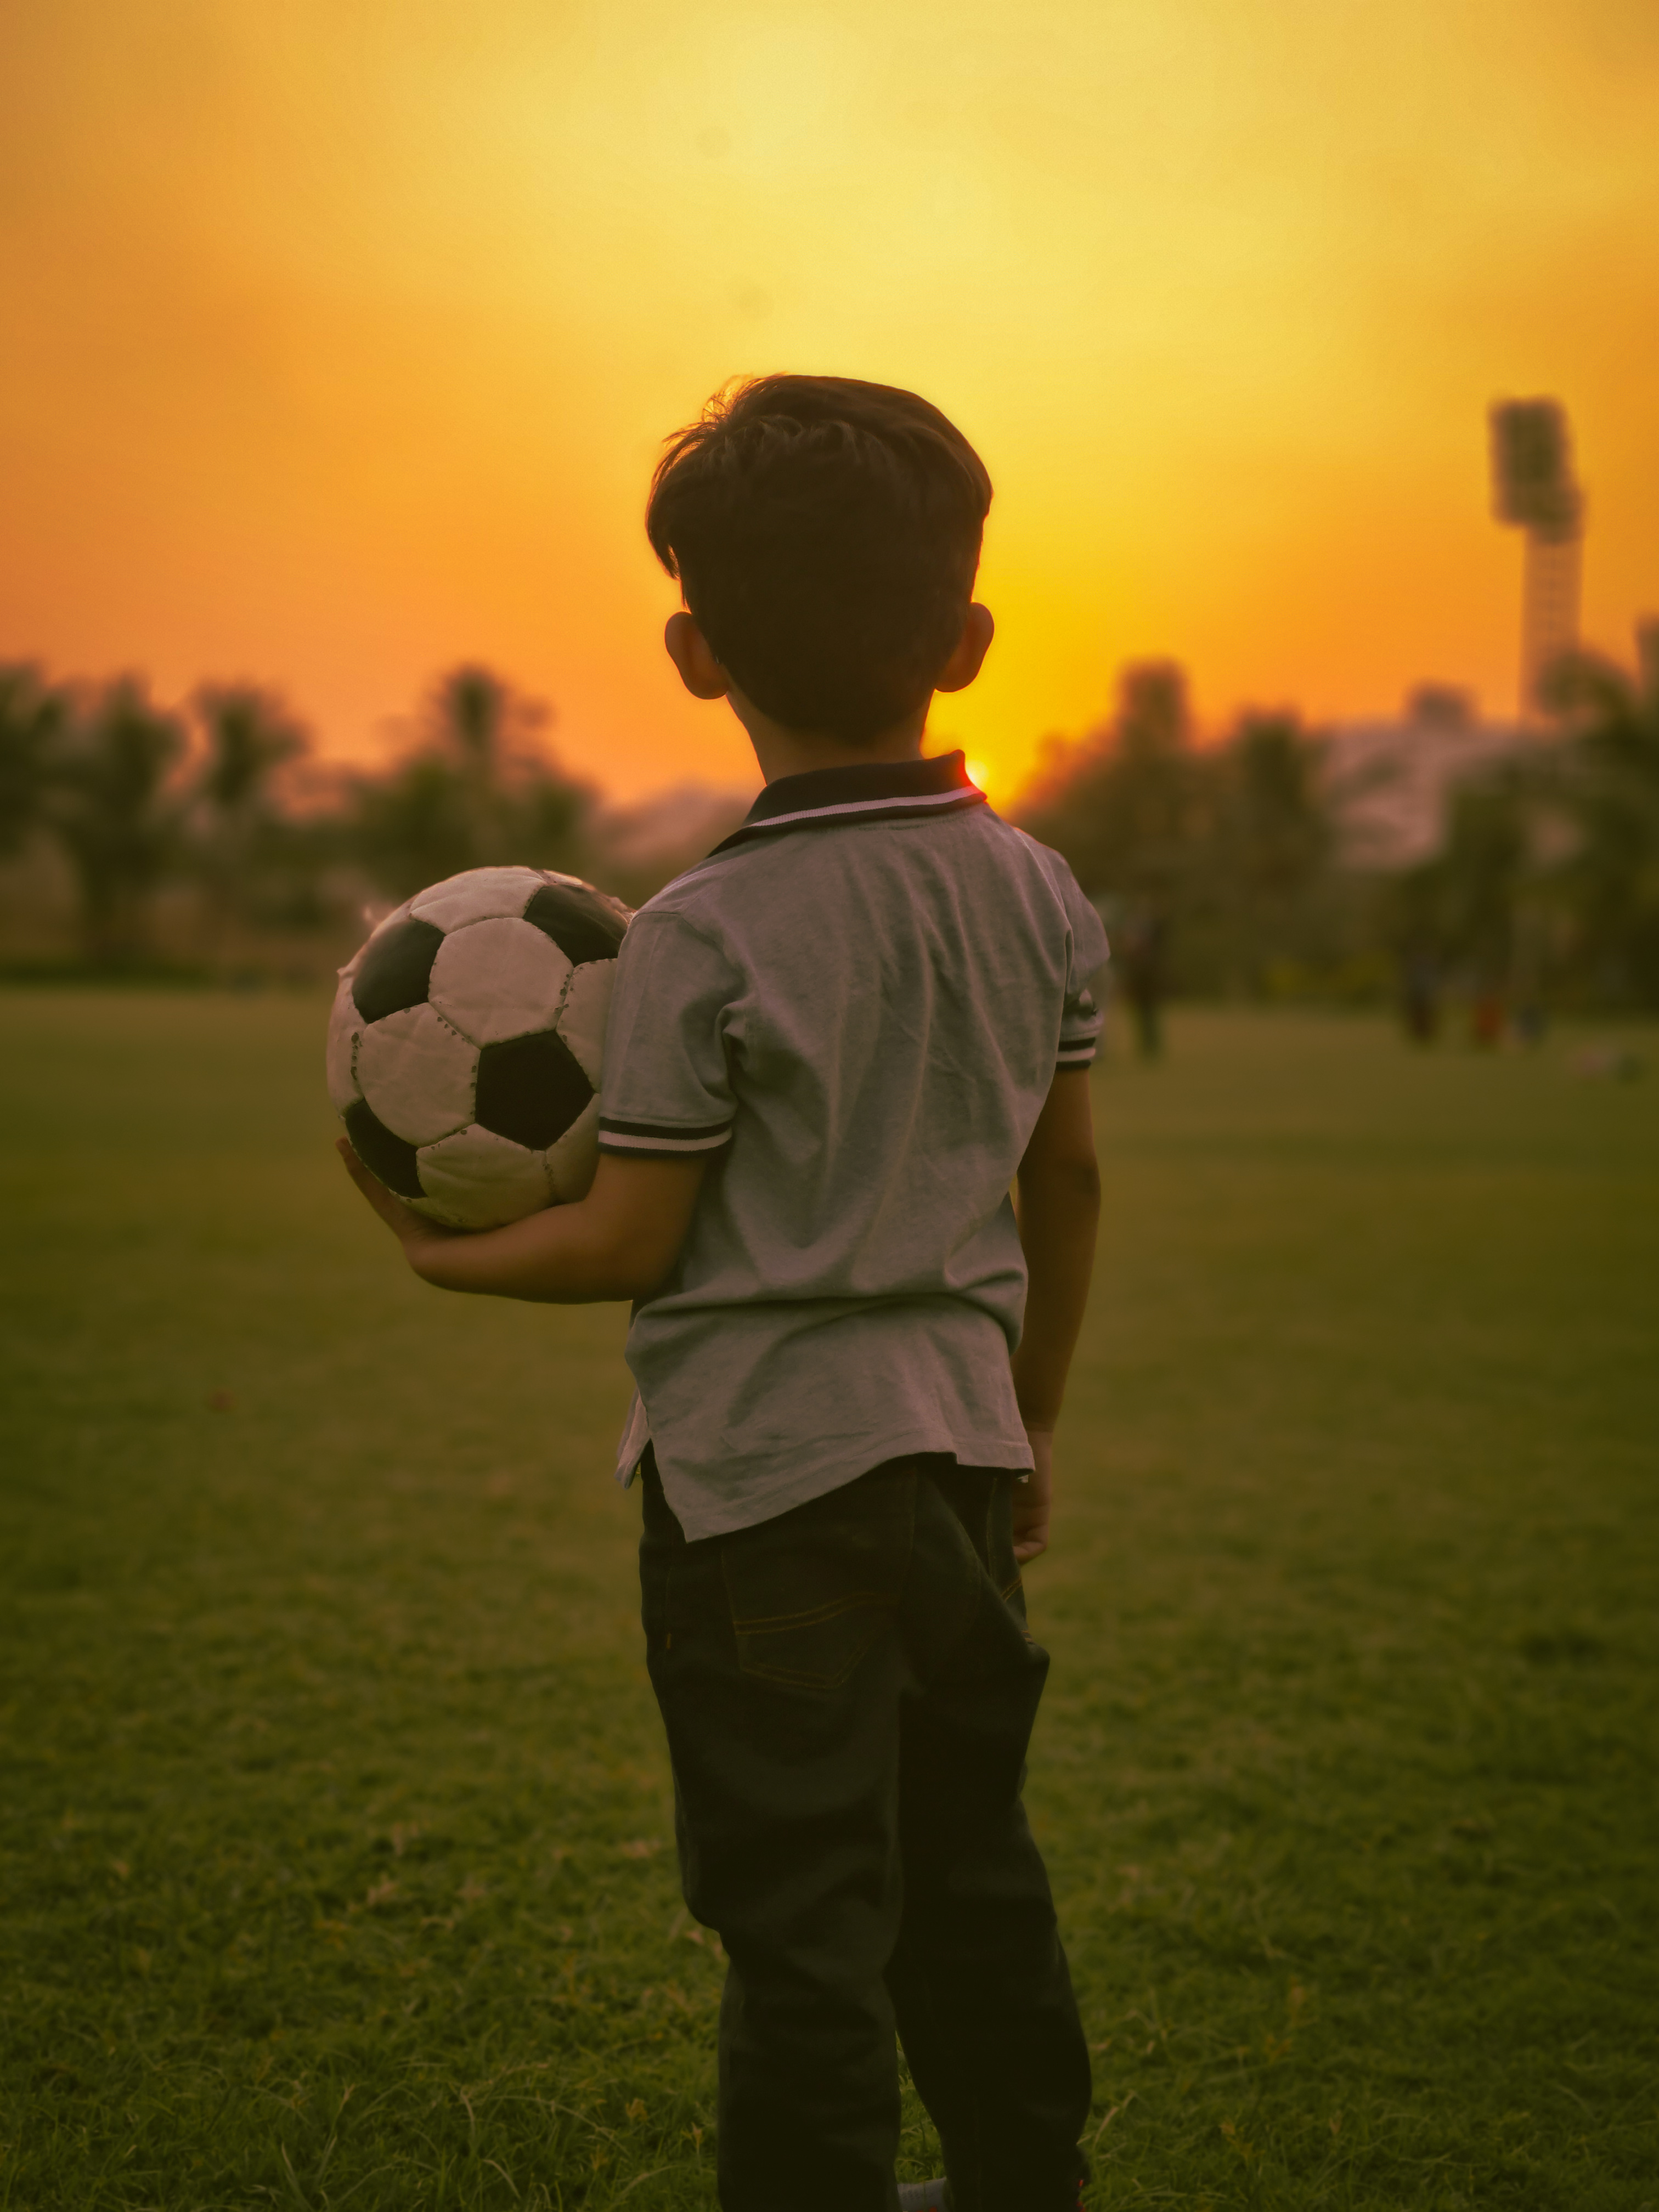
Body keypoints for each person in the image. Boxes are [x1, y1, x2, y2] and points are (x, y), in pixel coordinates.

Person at [340, 374, 1107, 2212]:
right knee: (968, 1864)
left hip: (761, 1498)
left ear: (694, 650)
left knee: (805, 1916)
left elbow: (627, 1237)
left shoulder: (701, 933)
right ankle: (1025, 2184)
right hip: (951, 1471)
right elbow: (1063, 1180)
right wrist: (1032, 1423)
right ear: (971, 636)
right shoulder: (1040, 891)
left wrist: (433, 1248)